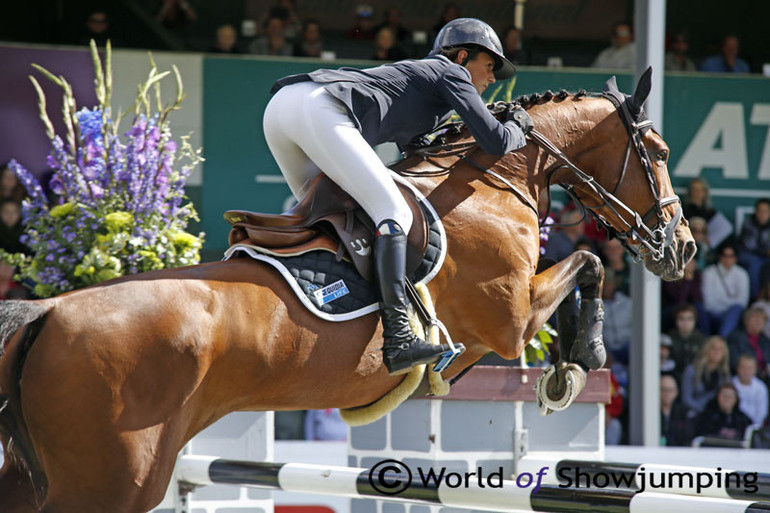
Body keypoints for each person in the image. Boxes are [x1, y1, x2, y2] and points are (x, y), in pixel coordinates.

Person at [263, 18, 531, 376]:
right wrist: (518, 127)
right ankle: (399, 337)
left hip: (283, 108)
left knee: (334, 217)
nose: (493, 78)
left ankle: (318, 306)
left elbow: (416, 150)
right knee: (394, 212)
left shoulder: (425, 86)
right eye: (489, 65)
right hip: (321, 108)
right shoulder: (451, 73)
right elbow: (496, 141)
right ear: (463, 56)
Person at [702, 243, 750, 337]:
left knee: (735, 310)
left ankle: (722, 339)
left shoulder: (742, 274)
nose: (728, 259)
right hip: (714, 314)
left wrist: (726, 307)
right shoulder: (709, 273)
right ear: (720, 257)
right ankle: (722, 340)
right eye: (725, 256)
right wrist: (728, 306)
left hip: (733, 314)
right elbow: (708, 303)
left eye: (731, 256)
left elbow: (742, 302)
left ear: (736, 258)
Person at [680, 335, 731, 415]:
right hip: (694, 413)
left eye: (720, 349)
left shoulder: (725, 375)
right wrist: (703, 411)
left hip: (716, 416)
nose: (717, 351)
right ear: (706, 350)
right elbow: (686, 399)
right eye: (713, 348)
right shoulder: (691, 370)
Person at [738, 198, 770, 300]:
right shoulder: (749, 222)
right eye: (760, 210)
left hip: (766, 256)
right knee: (755, 264)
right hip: (749, 254)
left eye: (765, 211)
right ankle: (754, 298)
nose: (762, 214)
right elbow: (750, 244)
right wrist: (766, 251)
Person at [727, 307, 770, 379]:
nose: (759, 322)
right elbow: (734, 362)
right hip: (742, 377)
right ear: (746, 320)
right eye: (755, 318)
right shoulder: (735, 337)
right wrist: (758, 373)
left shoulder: (766, 341)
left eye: (762, 320)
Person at [731, 354, 768, 428]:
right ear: (737, 368)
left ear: (755, 370)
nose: (746, 371)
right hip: (733, 425)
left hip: (753, 427)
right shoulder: (730, 384)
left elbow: (761, 413)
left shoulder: (761, 388)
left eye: (750, 368)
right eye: (743, 367)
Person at [668, 303, 707, 371]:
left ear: (695, 321)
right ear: (676, 321)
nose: (685, 323)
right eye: (681, 319)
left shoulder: (703, 340)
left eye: (689, 319)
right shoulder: (668, 339)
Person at [660, 374, 692, 446]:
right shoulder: (650, 412)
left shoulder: (683, 413)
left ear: (676, 392)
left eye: (670, 390)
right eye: (663, 390)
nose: (667, 394)